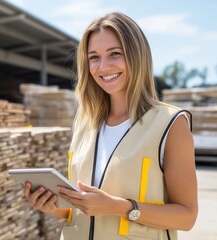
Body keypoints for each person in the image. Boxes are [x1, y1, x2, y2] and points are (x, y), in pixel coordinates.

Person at [23, 12, 198, 240]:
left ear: (137, 57)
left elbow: (187, 217)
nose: (103, 67)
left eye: (115, 54)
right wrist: (51, 207)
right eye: (94, 57)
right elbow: (79, 211)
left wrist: (119, 206)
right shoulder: (84, 122)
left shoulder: (170, 124)